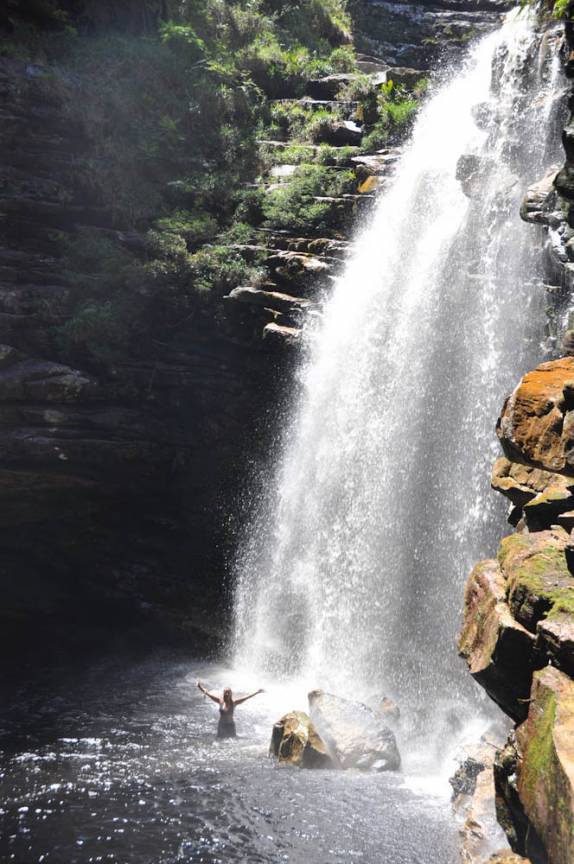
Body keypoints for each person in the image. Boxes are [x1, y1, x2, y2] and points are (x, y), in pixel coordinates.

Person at [196, 681, 264, 738]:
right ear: (224, 693)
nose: (227, 693)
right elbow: (209, 694)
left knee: (233, 740)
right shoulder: (220, 701)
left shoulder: (234, 703)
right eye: (226, 692)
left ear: (231, 694)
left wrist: (257, 692)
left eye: (228, 692)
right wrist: (200, 687)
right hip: (221, 725)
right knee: (220, 740)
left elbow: (246, 697)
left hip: (230, 725)